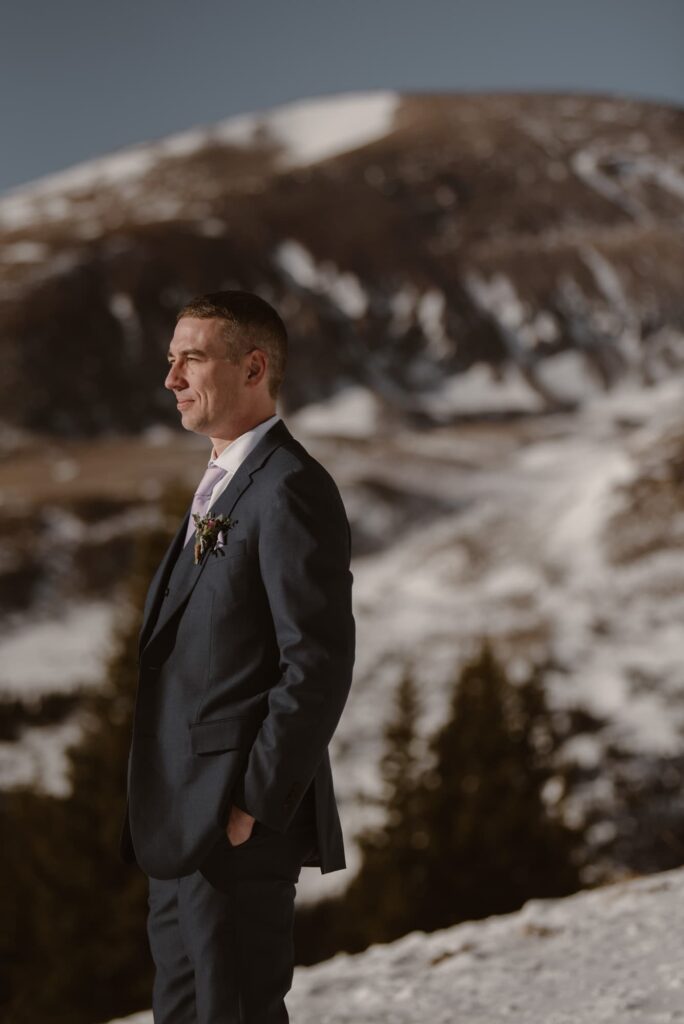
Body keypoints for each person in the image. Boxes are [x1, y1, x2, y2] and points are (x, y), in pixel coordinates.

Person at [118, 289, 356, 1023]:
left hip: (235, 823)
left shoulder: (289, 487)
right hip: (183, 826)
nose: (172, 379)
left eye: (191, 359)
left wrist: (252, 801)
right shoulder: (221, 482)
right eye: (170, 360)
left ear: (253, 368)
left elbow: (315, 661)